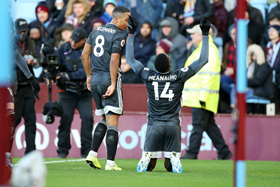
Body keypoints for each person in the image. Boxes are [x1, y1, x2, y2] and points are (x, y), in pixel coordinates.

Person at [125, 17, 211, 173]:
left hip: (154, 125)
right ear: (170, 65)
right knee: (169, 167)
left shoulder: (148, 75)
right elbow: (203, 59)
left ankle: (146, 158)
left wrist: (131, 33)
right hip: (173, 125)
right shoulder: (179, 76)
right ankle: (174, 159)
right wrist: (205, 34)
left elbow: (130, 59)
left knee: (150, 166)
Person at [82, 6, 130, 171]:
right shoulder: (119, 34)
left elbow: (84, 54)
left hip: (94, 79)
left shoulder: (96, 30)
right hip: (108, 79)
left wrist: (88, 76)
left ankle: (93, 154)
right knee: (113, 123)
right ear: (117, 19)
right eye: (126, 19)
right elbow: (114, 60)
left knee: (103, 118)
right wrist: (112, 83)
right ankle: (110, 163)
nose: (128, 22)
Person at [181, 23, 232, 160]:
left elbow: (208, 75)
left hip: (201, 96)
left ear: (200, 35)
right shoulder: (203, 48)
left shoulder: (207, 49)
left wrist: (203, 96)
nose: (191, 36)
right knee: (209, 125)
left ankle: (191, 153)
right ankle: (224, 151)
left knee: (198, 125)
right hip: (201, 95)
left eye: (193, 33)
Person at [55, 27, 94, 158]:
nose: (73, 43)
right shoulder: (62, 48)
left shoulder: (91, 49)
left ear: (84, 40)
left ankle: (86, 151)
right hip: (66, 91)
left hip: (84, 91)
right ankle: (62, 151)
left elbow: (88, 70)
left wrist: (68, 75)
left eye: (76, 41)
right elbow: (55, 66)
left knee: (88, 118)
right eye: (72, 39)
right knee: (65, 120)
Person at [13, 18, 41, 155]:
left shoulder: (30, 42)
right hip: (15, 87)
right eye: (20, 31)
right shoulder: (10, 43)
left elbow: (38, 61)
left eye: (25, 31)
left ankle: (31, 152)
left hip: (28, 87)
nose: (23, 34)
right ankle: (6, 151)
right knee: (15, 119)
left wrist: (34, 61)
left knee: (31, 120)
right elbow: (14, 60)